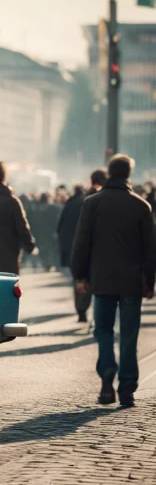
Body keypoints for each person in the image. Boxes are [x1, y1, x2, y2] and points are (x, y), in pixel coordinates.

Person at [71, 155, 156, 408]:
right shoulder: (141, 206)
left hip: (102, 278)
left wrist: (80, 275)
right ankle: (127, 388)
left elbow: (81, 243)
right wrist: (149, 281)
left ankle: (107, 372)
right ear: (130, 174)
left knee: (103, 329)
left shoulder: (92, 203)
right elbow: (150, 250)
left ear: (109, 173)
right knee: (129, 334)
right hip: (131, 280)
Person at [57, 170, 107, 322]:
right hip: (100, 250)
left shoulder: (75, 202)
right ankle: (99, 316)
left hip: (76, 248)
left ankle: (81, 310)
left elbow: (61, 228)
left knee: (80, 280)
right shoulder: (102, 200)